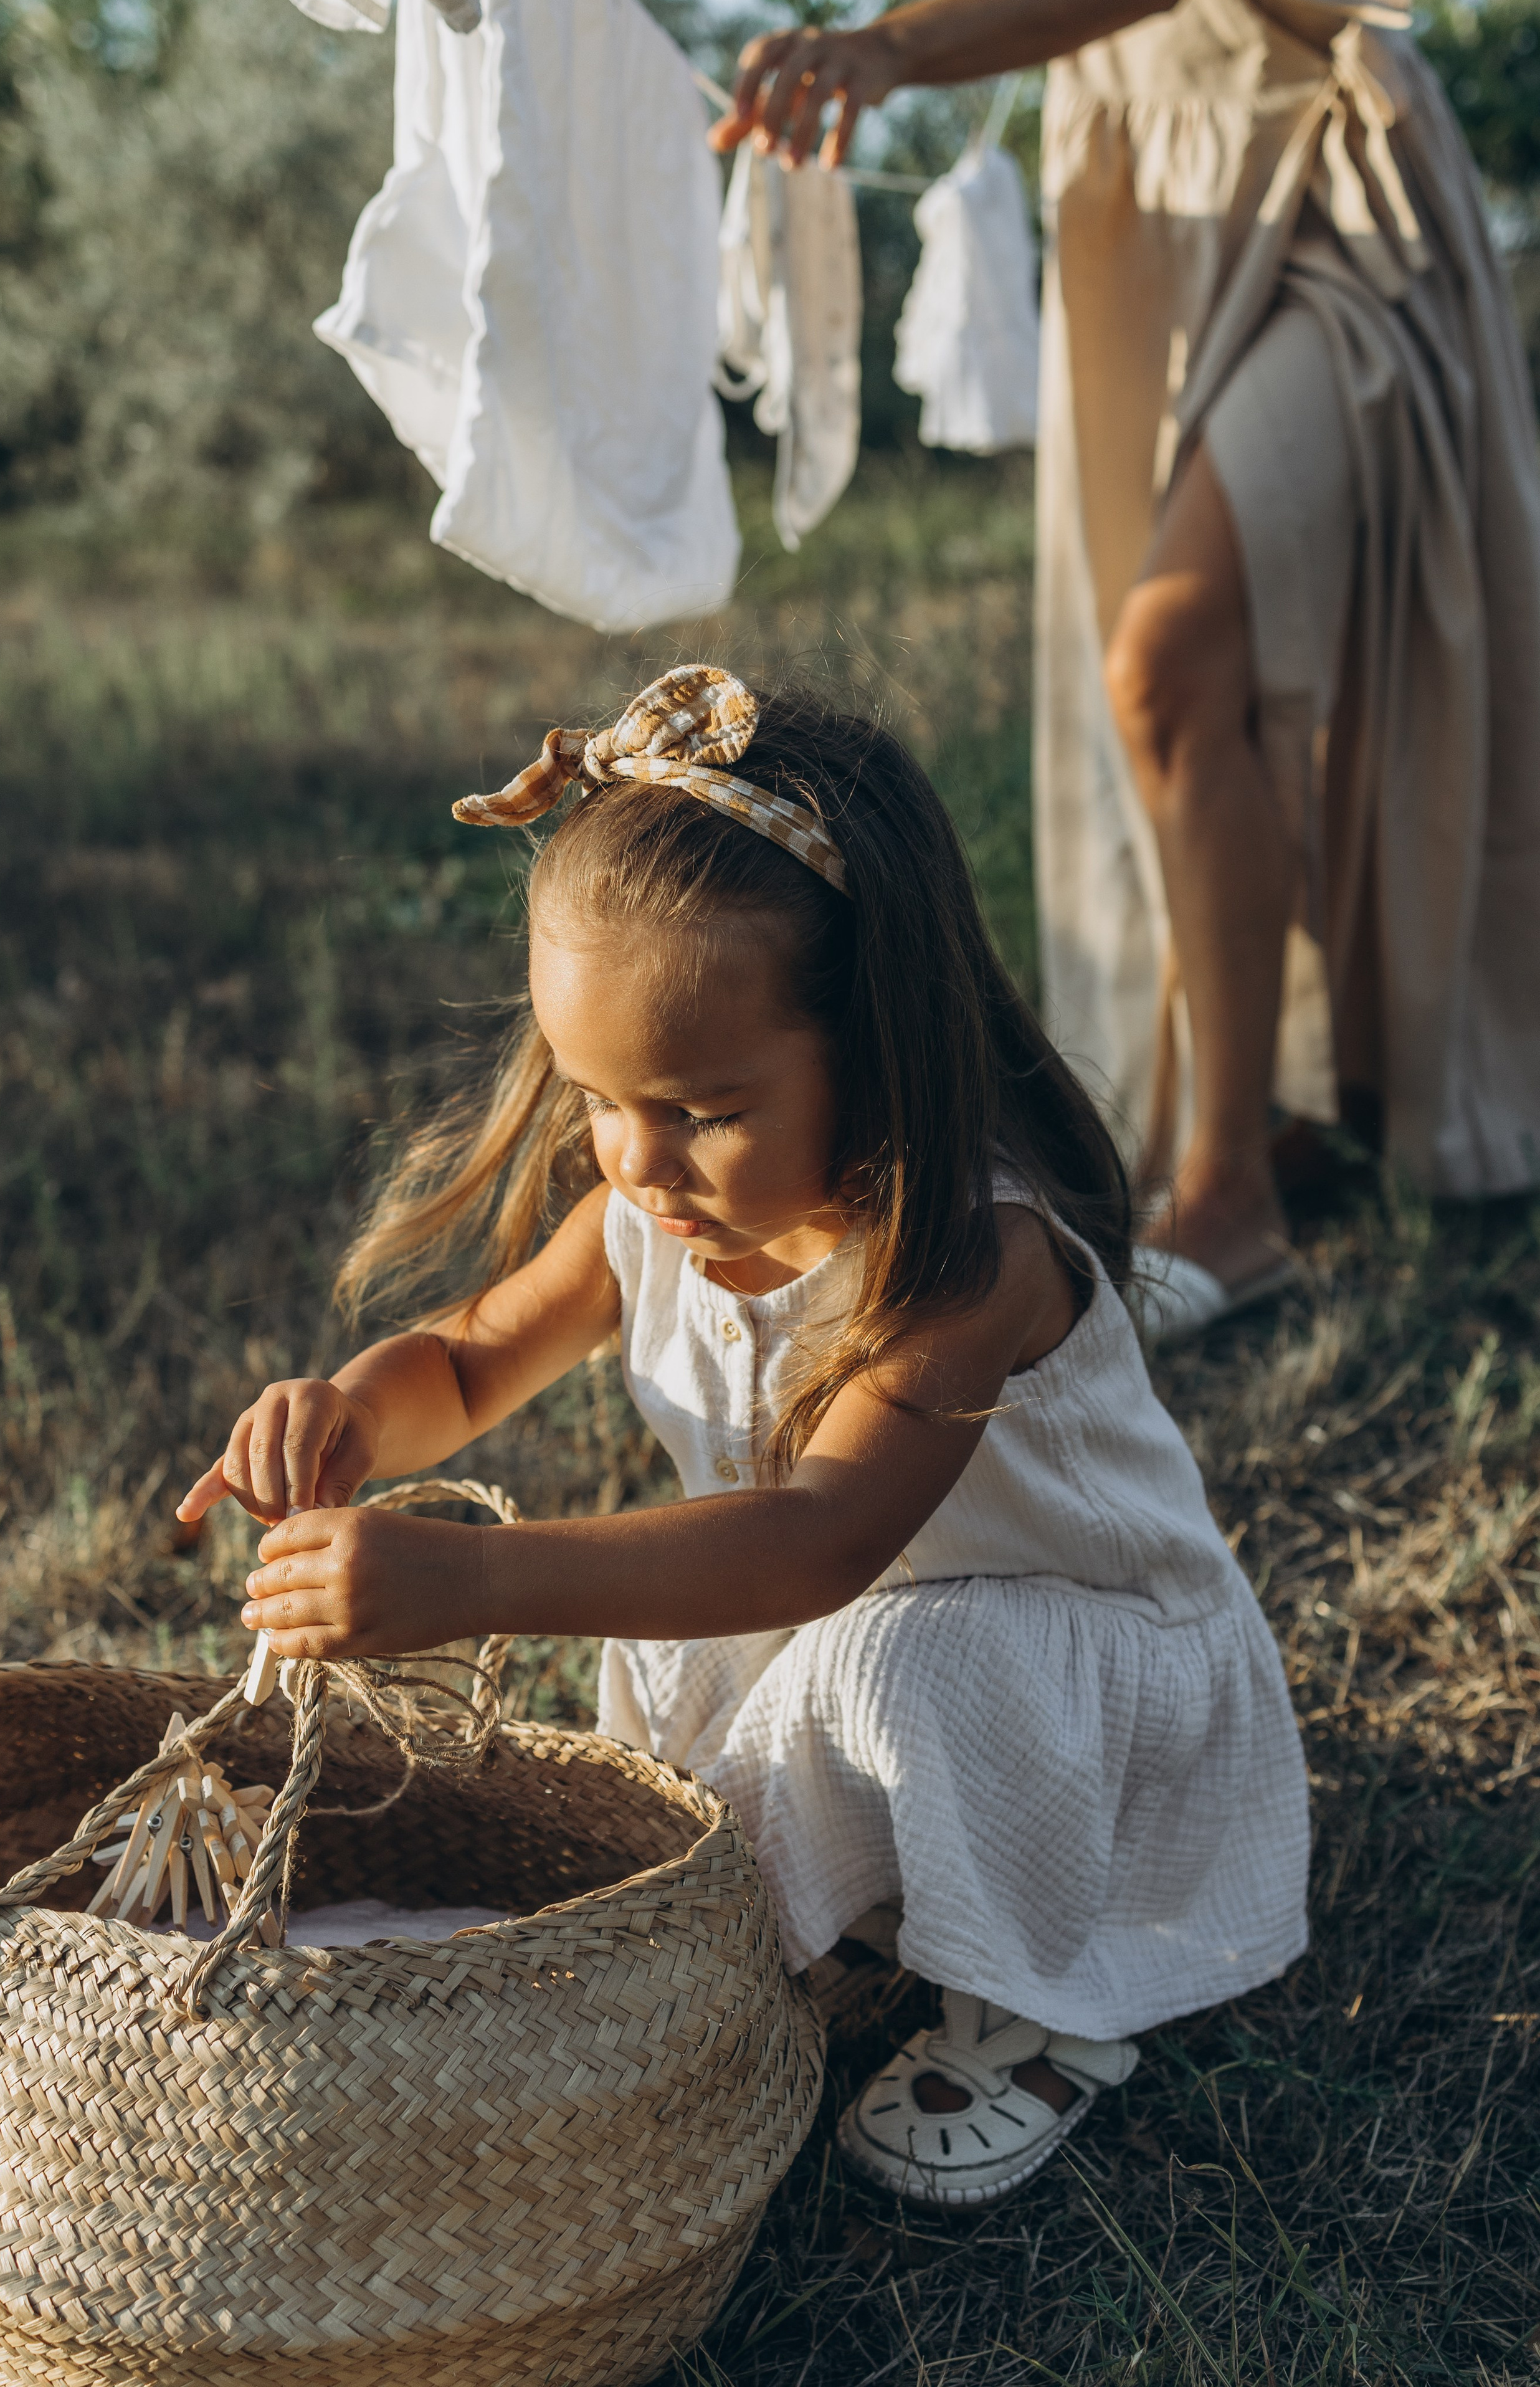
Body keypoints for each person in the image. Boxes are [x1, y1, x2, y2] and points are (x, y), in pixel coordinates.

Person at [176, 665, 1309, 2208]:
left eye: (704, 1106)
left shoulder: (966, 1257)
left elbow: (821, 1542)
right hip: (870, 1643)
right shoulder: (645, 1203)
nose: (638, 1160)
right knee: (663, 1646)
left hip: (1088, 1686)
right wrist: (349, 1411)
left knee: (886, 1658)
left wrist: (471, 1584)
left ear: (875, 1040)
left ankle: (1038, 2014)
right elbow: (465, 1355)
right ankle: (842, 1928)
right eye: (597, 1098)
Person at [713, 0, 1540, 1335]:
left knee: (1166, 659)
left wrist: (891, 48)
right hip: (1147, 202)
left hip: (1325, 182)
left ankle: (1230, 1194)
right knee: (1207, 688)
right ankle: (1286, 1108)